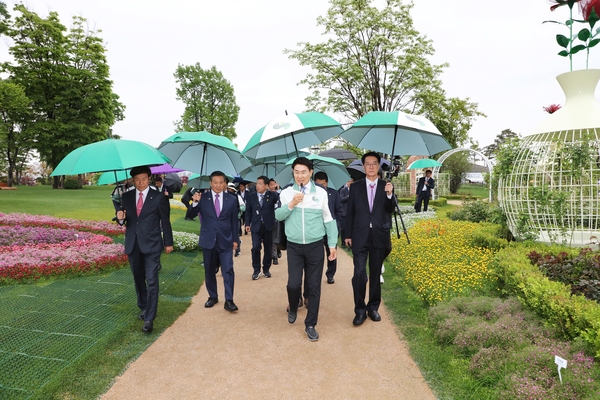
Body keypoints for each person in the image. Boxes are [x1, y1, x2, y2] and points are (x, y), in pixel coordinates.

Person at [275, 157, 337, 342]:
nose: (300, 175)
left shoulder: (321, 193)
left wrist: (332, 244)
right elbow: (278, 215)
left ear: (311, 172)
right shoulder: (286, 193)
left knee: (314, 286)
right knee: (293, 284)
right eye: (296, 172)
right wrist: (292, 204)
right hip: (294, 246)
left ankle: (310, 324)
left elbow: (328, 219)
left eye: (304, 172)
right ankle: (293, 306)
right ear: (293, 173)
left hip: (315, 246)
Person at [115, 165, 173, 333]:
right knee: (138, 278)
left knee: (152, 279)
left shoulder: (159, 197)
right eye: (137, 180)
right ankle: (143, 306)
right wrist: (120, 218)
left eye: (144, 179)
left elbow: (165, 221)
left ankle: (149, 319)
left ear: (149, 179)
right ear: (133, 180)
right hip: (133, 244)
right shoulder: (125, 197)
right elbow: (124, 220)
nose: (141, 182)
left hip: (153, 244)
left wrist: (168, 242)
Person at [344, 151, 395, 326]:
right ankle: (359, 310)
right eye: (368, 163)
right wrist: (347, 234)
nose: (371, 166)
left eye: (374, 163)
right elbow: (349, 212)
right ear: (364, 166)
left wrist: (389, 195)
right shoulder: (356, 187)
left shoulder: (386, 185)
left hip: (379, 236)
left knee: (375, 274)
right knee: (359, 273)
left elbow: (390, 210)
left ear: (379, 166)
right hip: (359, 235)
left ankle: (373, 308)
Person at [189, 171, 239, 312]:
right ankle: (213, 296)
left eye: (221, 182)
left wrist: (235, 239)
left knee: (228, 269)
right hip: (208, 239)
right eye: (215, 182)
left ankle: (229, 300)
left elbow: (234, 221)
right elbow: (190, 214)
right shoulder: (203, 198)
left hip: (225, 240)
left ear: (225, 183)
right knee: (209, 270)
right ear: (210, 183)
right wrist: (195, 202)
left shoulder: (232, 199)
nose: (218, 185)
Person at [245, 175, 280, 280]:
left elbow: (281, 202)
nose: (258, 186)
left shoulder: (273, 196)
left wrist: (275, 190)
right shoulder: (251, 196)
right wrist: (247, 224)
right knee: (255, 247)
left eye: (260, 184)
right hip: (256, 226)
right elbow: (248, 211)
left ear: (266, 186)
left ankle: (266, 269)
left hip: (268, 226)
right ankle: (256, 270)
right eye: (257, 183)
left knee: (268, 249)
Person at [314, 171, 342, 284]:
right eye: (318, 184)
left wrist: (337, 226)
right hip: (316, 229)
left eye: (323, 184)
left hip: (330, 229)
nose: (321, 186)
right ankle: (315, 275)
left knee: (331, 253)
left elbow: (338, 211)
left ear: (327, 183)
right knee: (316, 255)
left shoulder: (334, 193)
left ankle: (330, 274)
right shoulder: (311, 195)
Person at [227, 182, 246, 257]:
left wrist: (238, 211)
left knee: (236, 234)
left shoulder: (237, 197)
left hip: (236, 218)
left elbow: (243, 207)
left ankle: (237, 250)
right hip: (227, 219)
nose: (229, 190)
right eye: (228, 189)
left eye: (231, 189)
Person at [268, 178, 282, 264]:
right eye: (271, 185)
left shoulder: (280, 194)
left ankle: (277, 249)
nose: (273, 186)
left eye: (274, 184)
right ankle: (274, 255)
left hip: (278, 219)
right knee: (271, 239)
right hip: (269, 219)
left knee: (276, 237)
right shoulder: (266, 195)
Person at [338, 178, 353, 248]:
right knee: (343, 228)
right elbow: (341, 199)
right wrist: (348, 196)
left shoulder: (354, 190)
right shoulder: (343, 190)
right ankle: (343, 242)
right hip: (344, 211)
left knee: (351, 227)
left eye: (351, 182)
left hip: (352, 211)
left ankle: (350, 243)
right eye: (349, 182)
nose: (350, 183)